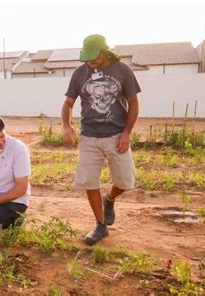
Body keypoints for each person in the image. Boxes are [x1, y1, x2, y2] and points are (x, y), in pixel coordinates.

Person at [61, 34, 140, 245]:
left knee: (125, 181)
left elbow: (133, 102)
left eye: (93, 58)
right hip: (89, 135)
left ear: (105, 53)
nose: (90, 62)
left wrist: (127, 133)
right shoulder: (80, 74)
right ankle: (100, 225)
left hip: (116, 135)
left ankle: (110, 199)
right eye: (86, 58)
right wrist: (67, 125)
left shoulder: (123, 70)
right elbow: (68, 103)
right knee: (89, 181)